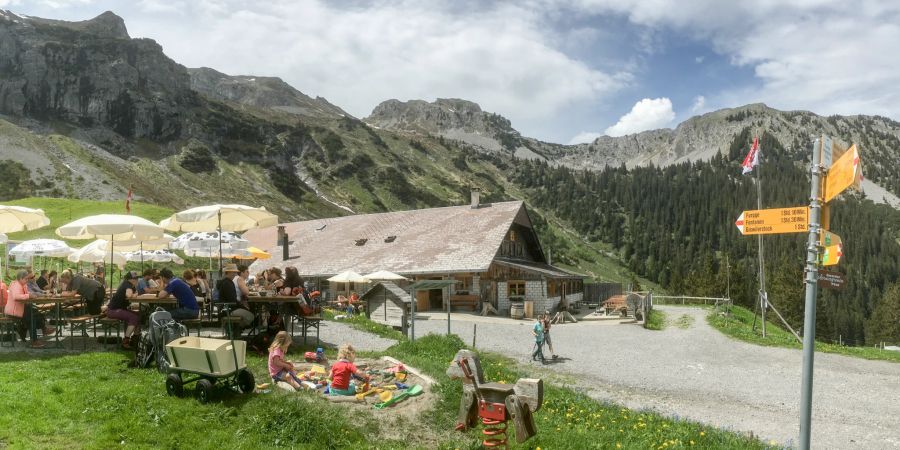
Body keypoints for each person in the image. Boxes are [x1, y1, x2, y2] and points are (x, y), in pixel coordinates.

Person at [5, 269, 54, 348]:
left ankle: (39, 330)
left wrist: (32, 295)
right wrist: (29, 296)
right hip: (13, 312)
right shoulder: (16, 285)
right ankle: (34, 339)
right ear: (21, 278)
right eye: (26, 279)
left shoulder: (22, 285)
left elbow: (27, 294)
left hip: (20, 309)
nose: (27, 280)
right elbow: (16, 296)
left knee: (35, 312)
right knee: (32, 317)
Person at [108, 271, 141, 349]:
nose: (137, 280)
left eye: (137, 278)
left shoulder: (129, 285)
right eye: (135, 278)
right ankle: (125, 342)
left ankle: (135, 340)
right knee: (134, 317)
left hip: (117, 309)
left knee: (139, 316)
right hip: (113, 311)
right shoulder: (127, 284)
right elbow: (129, 295)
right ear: (131, 279)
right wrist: (136, 294)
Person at [217, 264, 255, 330]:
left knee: (249, 312)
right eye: (234, 272)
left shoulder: (227, 282)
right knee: (251, 316)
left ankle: (236, 330)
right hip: (228, 310)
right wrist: (242, 305)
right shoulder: (227, 283)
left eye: (236, 272)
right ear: (228, 272)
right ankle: (235, 331)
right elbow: (232, 300)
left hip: (227, 308)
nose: (235, 274)